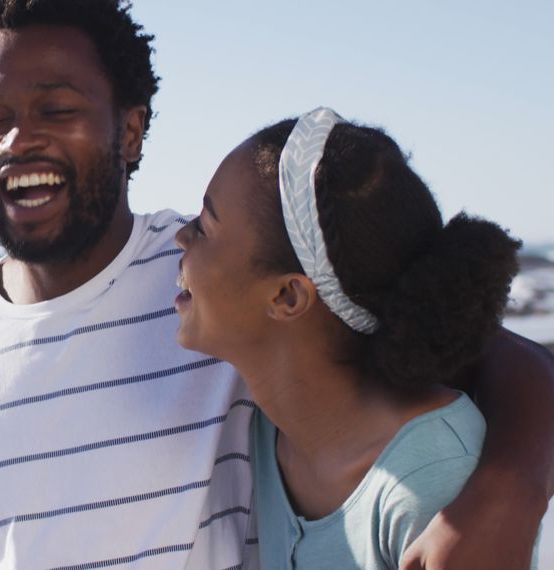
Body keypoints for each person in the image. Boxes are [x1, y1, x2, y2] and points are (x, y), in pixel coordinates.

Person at [0, 1, 554, 568]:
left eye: (57, 109)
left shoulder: (203, 280)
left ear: (130, 130)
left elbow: (471, 341)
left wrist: (505, 492)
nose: (18, 140)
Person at [174, 108, 535, 568]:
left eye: (205, 226)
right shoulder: (268, 432)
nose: (181, 236)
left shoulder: (431, 483)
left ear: (287, 296)